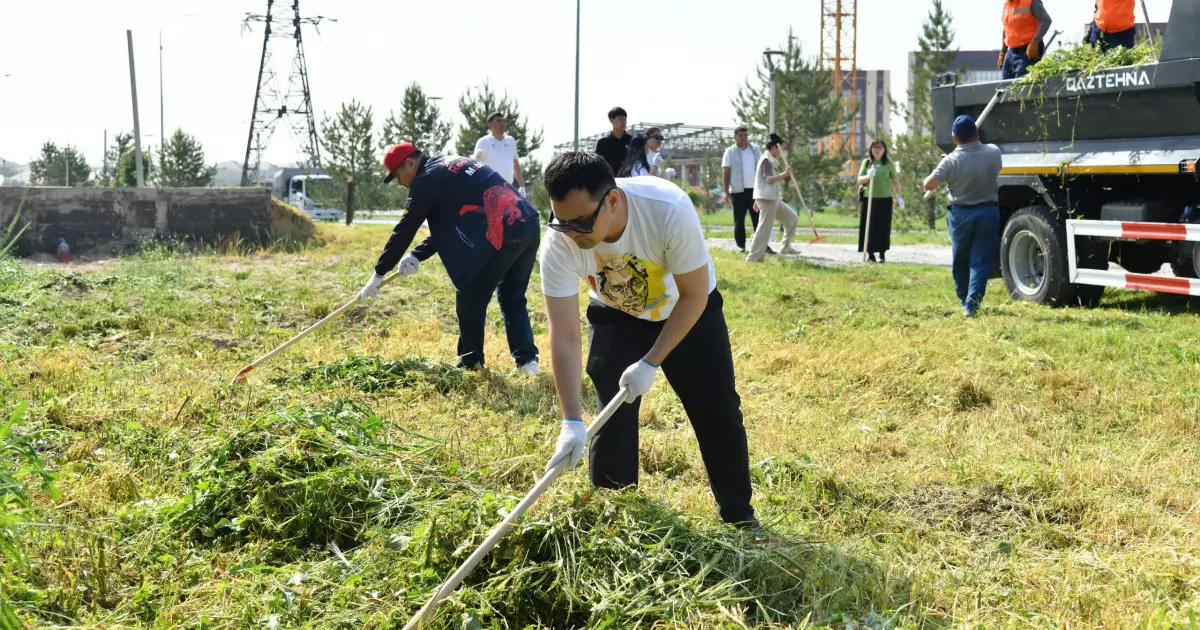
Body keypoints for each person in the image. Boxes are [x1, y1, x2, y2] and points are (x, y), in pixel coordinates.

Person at [538, 151, 758, 529]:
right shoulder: (559, 243)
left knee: (716, 410)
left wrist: (651, 360)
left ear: (611, 200)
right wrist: (571, 421)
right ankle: (618, 522)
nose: (572, 234)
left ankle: (738, 515)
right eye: (562, 223)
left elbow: (694, 295)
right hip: (616, 313)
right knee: (613, 416)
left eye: (580, 223)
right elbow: (565, 336)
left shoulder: (666, 208)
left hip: (688, 310)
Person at [359, 142, 542, 373]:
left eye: (397, 176)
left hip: (503, 229)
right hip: (527, 223)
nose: (400, 183)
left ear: (410, 163)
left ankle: (471, 362)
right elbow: (448, 225)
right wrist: (417, 254)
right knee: (512, 297)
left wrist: (378, 274)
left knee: (470, 298)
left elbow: (405, 228)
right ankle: (528, 363)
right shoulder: (447, 165)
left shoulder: (425, 179)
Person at [923, 116, 1003, 318]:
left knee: (960, 259)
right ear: (977, 133)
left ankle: (964, 299)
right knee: (980, 261)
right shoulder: (993, 152)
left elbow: (928, 185)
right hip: (987, 212)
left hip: (960, 215)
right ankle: (971, 305)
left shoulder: (950, 161)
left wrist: (944, 169)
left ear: (954, 138)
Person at [746, 134, 799, 262]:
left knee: (792, 219)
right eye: (781, 149)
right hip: (767, 199)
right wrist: (784, 174)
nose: (781, 153)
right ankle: (754, 258)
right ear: (775, 148)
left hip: (773, 198)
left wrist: (756, 199)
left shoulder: (771, 160)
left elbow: (761, 181)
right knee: (764, 228)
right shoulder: (766, 160)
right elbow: (768, 179)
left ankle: (786, 247)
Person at [855, 140, 904, 264]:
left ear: (884, 150)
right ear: (871, 149)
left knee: (883, 226)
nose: (876, 150)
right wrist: (867, 176)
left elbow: (895, 181)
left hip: (885, 199)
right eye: (874, 148)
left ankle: (882, 253)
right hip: (869, 199)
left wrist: (899, 197)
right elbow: (859, 180)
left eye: (879, 148)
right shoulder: (867, 163)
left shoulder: (888, 164)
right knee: (869, 226)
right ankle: (870, 253)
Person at [721, 126, 764, 253]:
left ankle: (761, 246)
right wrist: (726, 191)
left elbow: (762, 169)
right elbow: (726, 172)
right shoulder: (730, 152)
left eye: (745, 135)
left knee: (758, 219)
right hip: (738, 191)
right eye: (740, 136)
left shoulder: (755, 150)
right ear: (735, 137)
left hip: (755, 191)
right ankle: (741, 246)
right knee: (739, 221)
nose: (743, 138)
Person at [472, 112, 525, 196]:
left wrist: (522, 186)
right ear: (490, 124)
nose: (502, 124)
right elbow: (474, 166)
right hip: (489, 189)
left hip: (508, 188)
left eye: (503, 121)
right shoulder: (483, 142)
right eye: (498, 121)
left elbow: (515, 164)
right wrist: (477, 158)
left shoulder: (510, 141)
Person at [999, 0, 1053, 80]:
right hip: (1011, 51)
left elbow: (1046, 20)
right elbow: (1007, 28)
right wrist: (1003, 52)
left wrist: (1035, 42)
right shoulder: (1006, 4)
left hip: (1028, 50)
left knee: (1021, 85)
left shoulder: (1031, 2)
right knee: (1005, 86)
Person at [595, 107, 632, 176]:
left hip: (629, 179)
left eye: (625, 119)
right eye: (620, 119)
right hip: (611, 179)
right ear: (611, 120)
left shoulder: (632, 140)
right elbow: (598, 164)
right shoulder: (603, 142)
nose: (623, 122)